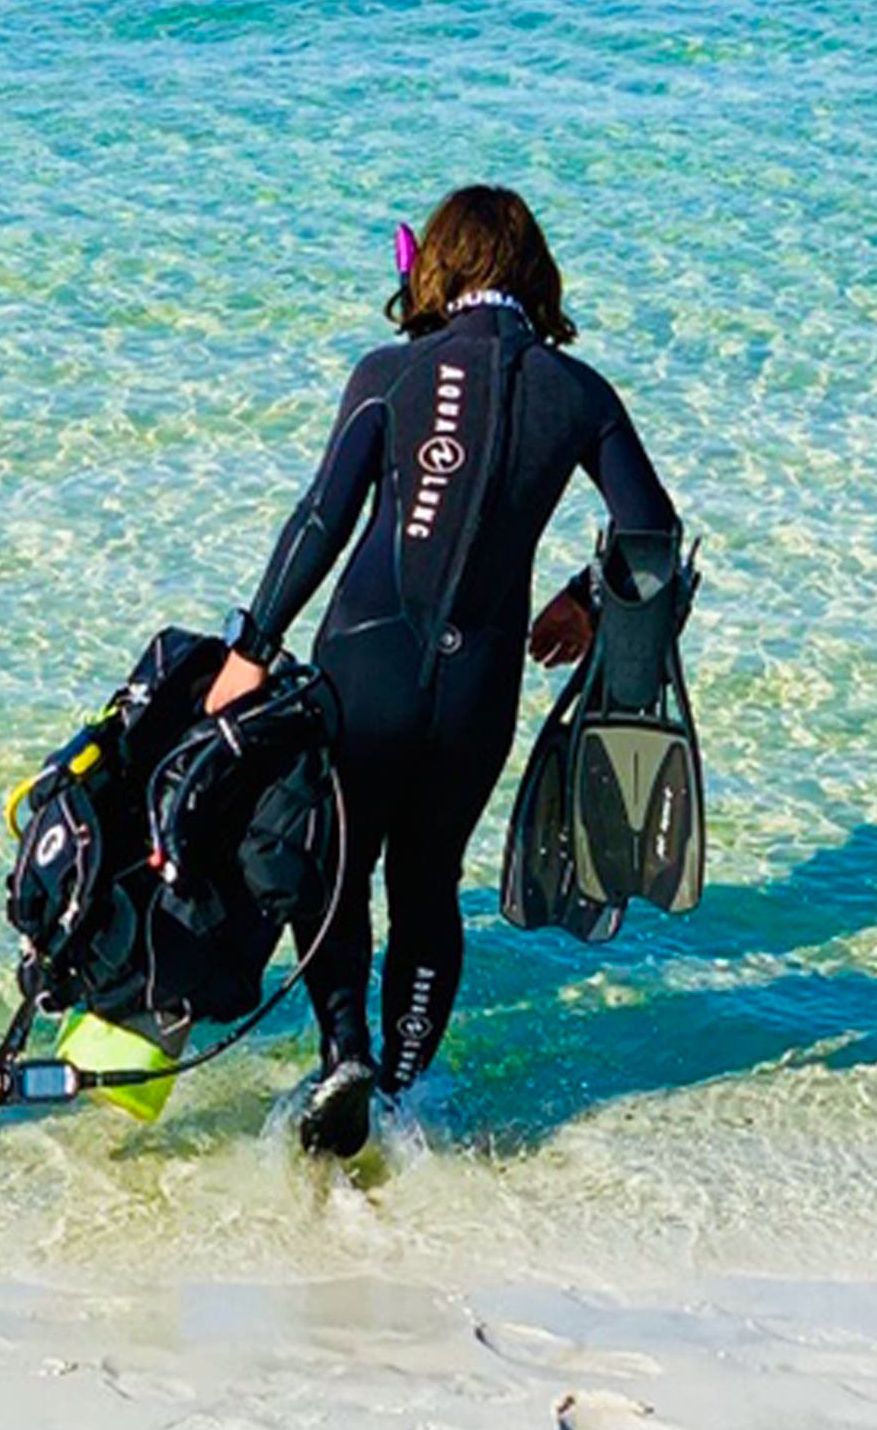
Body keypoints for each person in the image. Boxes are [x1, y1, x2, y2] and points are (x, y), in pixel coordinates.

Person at [203, 184, 679, 1159]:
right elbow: (654, 536)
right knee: (426, 885)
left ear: (435, 270)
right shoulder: (580, 393)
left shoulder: (388, 372)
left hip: (362, 669)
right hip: (479, 691)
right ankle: (410, 1096)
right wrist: (587, 599)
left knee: (335, 871)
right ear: (533, 276)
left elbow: (320, 520)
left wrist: (250, 648)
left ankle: (346, 1057)